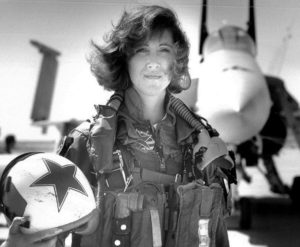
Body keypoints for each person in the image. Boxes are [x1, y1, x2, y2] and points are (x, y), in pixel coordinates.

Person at [1, 5, 235, 247]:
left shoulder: (204, 147)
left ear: (176, 61)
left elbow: (216, 234)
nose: (153, 62)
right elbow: (48, 237)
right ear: (125, 60)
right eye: (142, 50)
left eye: (163, 50)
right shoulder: (89, 143)